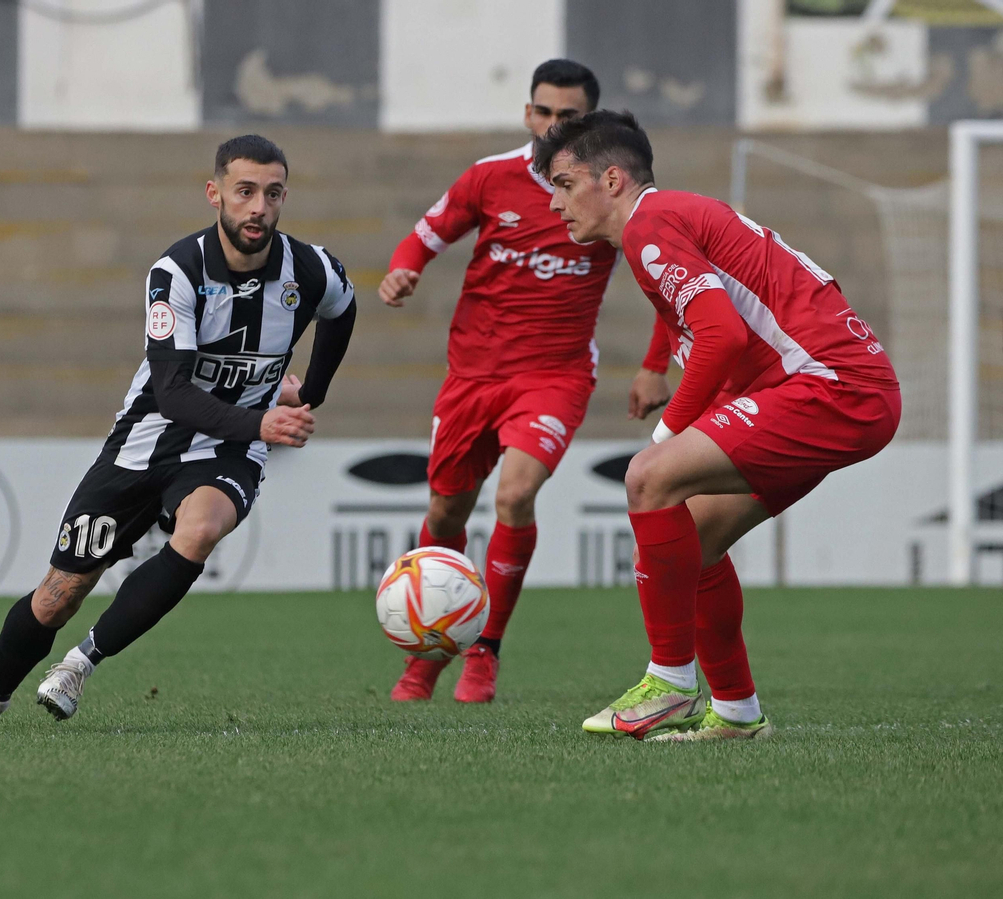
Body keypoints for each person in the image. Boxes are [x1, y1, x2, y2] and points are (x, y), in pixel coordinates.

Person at [0, 135, 356, 730]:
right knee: (58, 595)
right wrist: (263, 418)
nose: (259, 207)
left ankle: (80, 664)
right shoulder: (177, 271)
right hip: (146, 441)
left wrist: (312, 391)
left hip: (229, 449)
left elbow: (343, 309)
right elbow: (174, 393)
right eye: (245, 191)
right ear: (214, 194)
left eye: (273, 193)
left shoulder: (310, 269)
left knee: (200, 529)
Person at [533, 111, 901, 741]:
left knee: (648, 477)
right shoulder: (666, 218)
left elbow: (721, 334)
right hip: (837, 388)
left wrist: (667, 434)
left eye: (565, 185)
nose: (554, 204)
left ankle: (670, 683)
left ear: (612, 180)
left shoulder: (649, 225)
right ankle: (736, 712)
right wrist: (668, 383)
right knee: (692, 544)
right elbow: (717, 323)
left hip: (831, 386)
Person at [379, 60, 667, 703]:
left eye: (568, 116)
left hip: (554, 375)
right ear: (527, 113)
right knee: (446, 509)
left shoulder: (607, 191)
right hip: (472, 374)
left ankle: (485, 649)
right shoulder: (489, 177)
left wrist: (654, 364)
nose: (552, 125)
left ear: (589, 122)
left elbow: (667, 280)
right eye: (543, 112)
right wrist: (403, 270)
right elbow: (423, 237)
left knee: (514, 495)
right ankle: (428, 654)